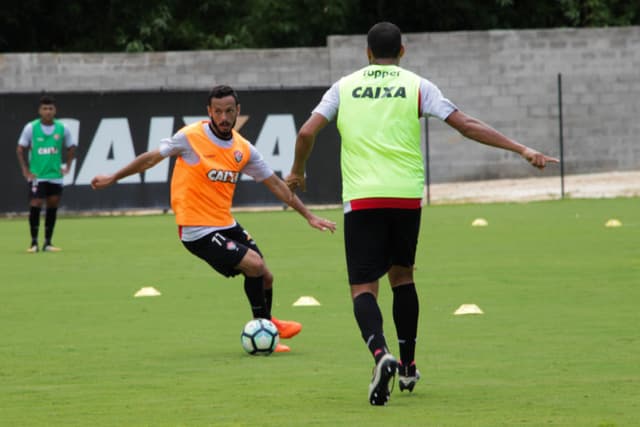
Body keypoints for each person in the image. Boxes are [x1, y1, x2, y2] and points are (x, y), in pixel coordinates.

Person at [286, 22, 558, 405]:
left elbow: (305, 134)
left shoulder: (343, 87)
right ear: (403, 51)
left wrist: (298, 170)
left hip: (363, 199)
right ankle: (410, 367)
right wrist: (521, 149)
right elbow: (465, 125)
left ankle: (381, 356)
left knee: (363, 288)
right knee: (402, 277)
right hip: (405, 197)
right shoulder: (417, 85)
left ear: (366, 53)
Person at [91, 85, 336, 353]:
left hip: (223, 222)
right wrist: (113, 177)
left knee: (265, 275)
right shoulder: (190, 137)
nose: (223, 117)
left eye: (229, 111)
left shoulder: (243, 149)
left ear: (237, 111)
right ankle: (264, 329)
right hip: (196, 229)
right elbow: (150, 159)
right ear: (209, 112)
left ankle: (269, 322)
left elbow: (277, 185)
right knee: (253, 265)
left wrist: (309, 216)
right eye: (217, 112)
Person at [16, 94, 77, 253]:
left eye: (50, 108)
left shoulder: (62, 128)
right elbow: (20, 148)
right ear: (39, 110)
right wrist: (25, 169)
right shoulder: (31, 127)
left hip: (55, 176)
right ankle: (34, 242)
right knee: (35, 204)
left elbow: (71, 147)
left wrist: (68, 166)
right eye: (45, 108)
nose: (48, 111)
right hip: (37, 175)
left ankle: (48, 242)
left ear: (55, 110)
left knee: (52, 206)